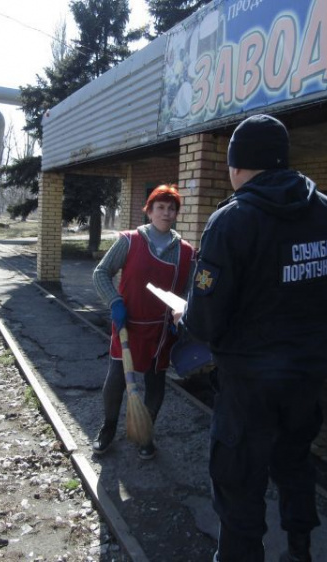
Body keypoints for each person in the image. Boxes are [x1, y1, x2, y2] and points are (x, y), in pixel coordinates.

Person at [174, 114, 327, 562]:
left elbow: (206, 322)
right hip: (307, 376)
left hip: (249, 384)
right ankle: (299, 550)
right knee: (294, 462)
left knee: (238, 479)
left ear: (237, 166)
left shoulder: (232, 220)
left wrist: (185, 314)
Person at [92, 184, 195, 460]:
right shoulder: (129, 241)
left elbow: (187, 291)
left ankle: (144, 432)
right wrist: (114, 302)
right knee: (116, 380)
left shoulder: (185, 252)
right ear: (149, 211)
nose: (166, 212)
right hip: (127, 325)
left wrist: (180, 312)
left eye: (171, 208)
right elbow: (101, 273)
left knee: (156, 382)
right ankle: (109, 427)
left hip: (162, 332)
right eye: (160, 207)